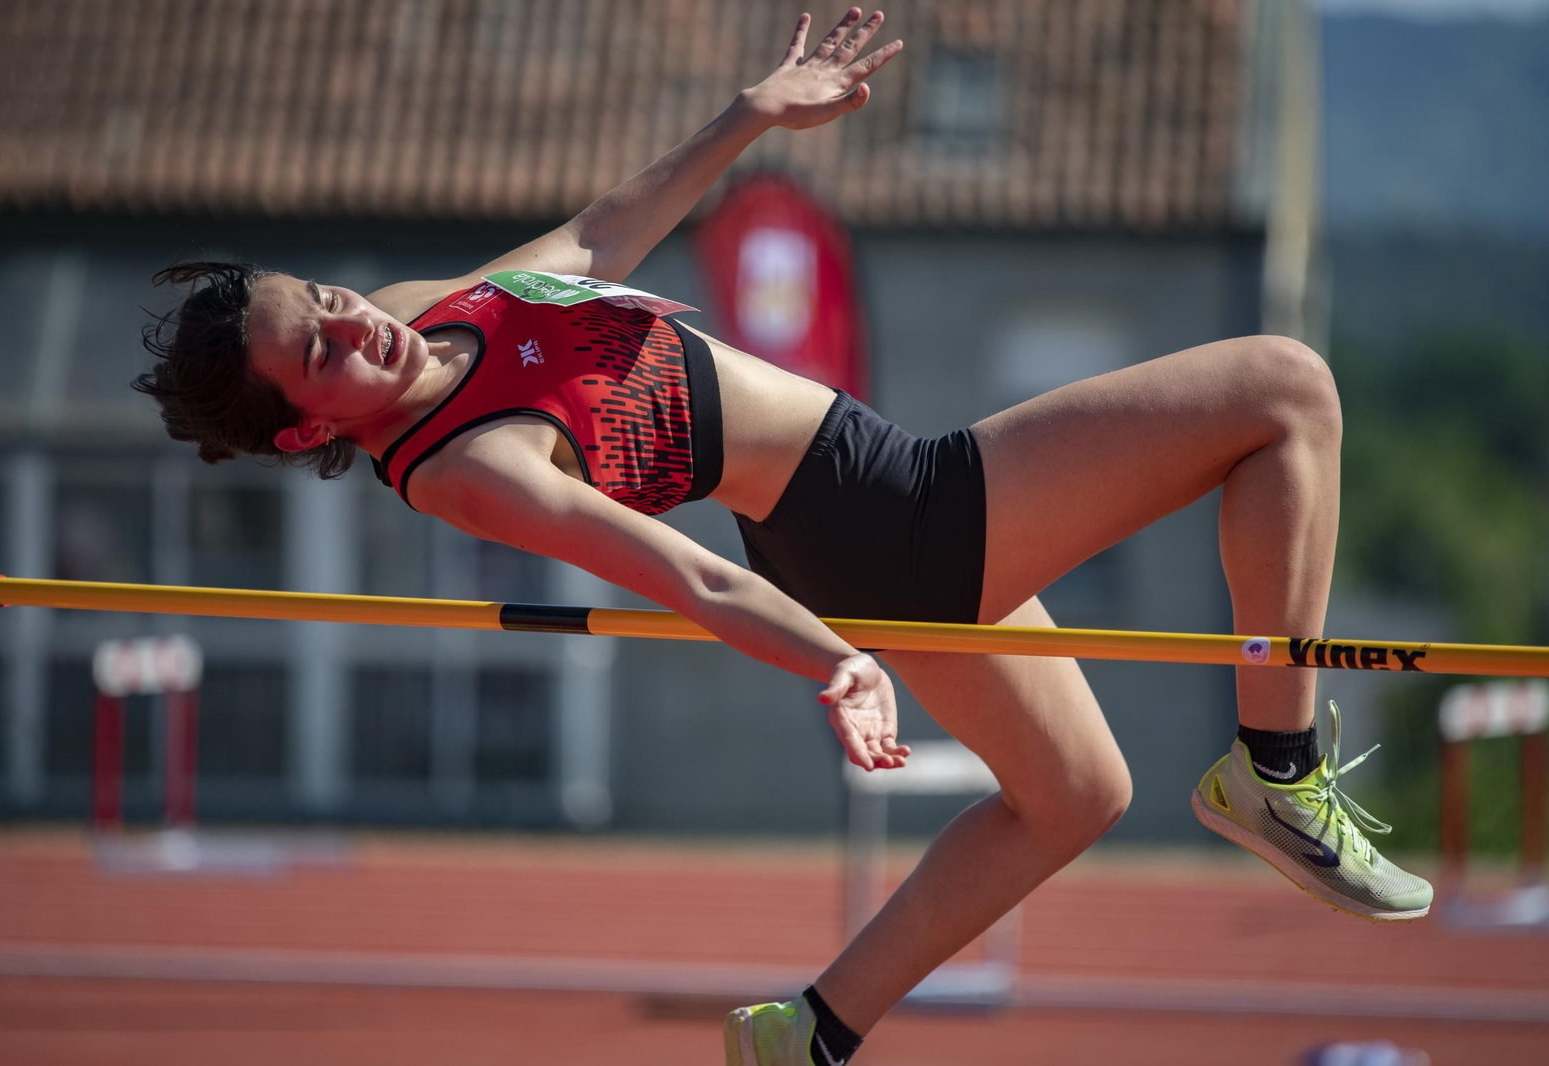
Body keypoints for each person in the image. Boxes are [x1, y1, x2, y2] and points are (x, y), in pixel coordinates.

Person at [132, 10, 1432, 1065]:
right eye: (324, 349)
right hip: (885, 518)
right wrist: (835, 663)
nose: (359, 324)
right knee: (1286, 387)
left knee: (1077, 794)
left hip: (843, 526)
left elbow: (596, 237)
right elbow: (683, 573)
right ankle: (1277, 758)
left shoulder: (416, 311)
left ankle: (814, 1027)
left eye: (330, 299)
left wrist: (754, 112)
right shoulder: (469, 466)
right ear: (307, 433)